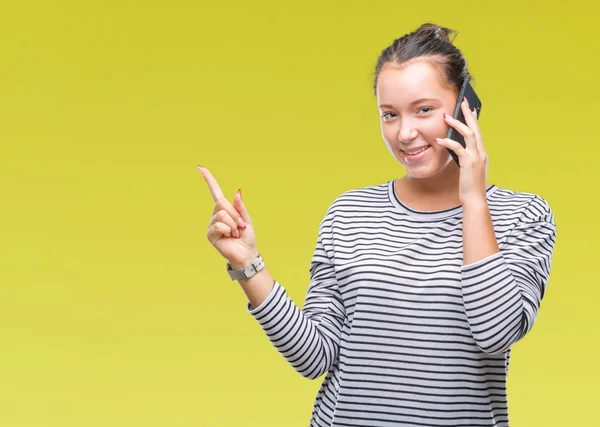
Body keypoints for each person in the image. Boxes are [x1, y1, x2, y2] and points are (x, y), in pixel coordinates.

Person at [198, 22, 557, 427]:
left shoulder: (523, 215)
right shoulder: (349, 212)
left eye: (424, 109)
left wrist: (473, 196)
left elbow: (496, 333)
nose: (405, 133)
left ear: (465, 108)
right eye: (389, 115)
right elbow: (315, 357)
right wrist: (249, 265)